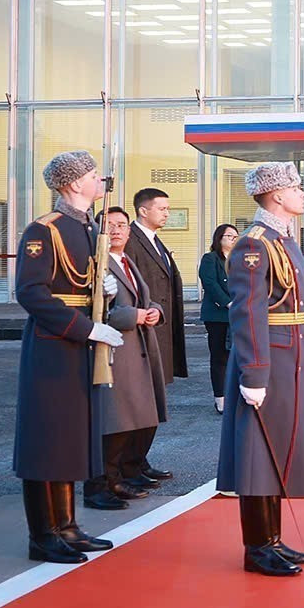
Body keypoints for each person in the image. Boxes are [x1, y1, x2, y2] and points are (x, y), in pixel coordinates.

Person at [13, 151, 124, 565]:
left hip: (79, 345)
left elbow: (83, 286)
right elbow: (31, 293)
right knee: (46, 439)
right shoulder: (45, 230)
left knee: (71, 437)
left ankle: (67, 525)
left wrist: (106, 292)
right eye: (94, 175)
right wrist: (86, 328)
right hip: (53, 346)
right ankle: (43, 535)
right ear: (75, 183)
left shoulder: (88, 227)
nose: (100, 181)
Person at [217, 161, 304, 577]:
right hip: (267, 359)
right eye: (295, 188)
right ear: (277, 195)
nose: (302, 194)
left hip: (287, 354)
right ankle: (257, 546)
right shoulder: (254, 244)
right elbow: (248, 313)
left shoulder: (282, 239)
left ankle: (273, 539)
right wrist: (254, 374)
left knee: (278, 448)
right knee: (258, 454)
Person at [85, 208, 165, 511]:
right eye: (110, 225)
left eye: (121, 225)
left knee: (131, 419)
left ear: (130, 231)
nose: (117, 230)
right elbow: (97, 311)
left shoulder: (126, 261)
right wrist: (136, 315)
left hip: (138, 348)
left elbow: (144, 298)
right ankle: (103, 483)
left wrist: (155, 310)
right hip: (115, 351)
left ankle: (121, 475)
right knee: (114, 420)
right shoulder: (97, 264)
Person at [123, 187, 182, 486]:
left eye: (168, 208)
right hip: (142, 332)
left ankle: (138, 460)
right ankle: (128, 465)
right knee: (139, 404)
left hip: (160, 329)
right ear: (143, 210)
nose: (167, 213)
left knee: (152, 403)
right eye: (162, 208)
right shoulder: (131, 240)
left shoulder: (155, 240)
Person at [200, 224, 238, 413]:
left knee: (237, 357)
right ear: (219, 238)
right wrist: (227, 303)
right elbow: (209, 283)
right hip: (218, 315)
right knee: (219, 357)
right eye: (229, 236)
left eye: (236, 236)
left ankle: (235, 395)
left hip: (238, 314)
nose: (233, 239)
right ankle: (220, 398)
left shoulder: (239, 260)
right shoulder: (211, 259)